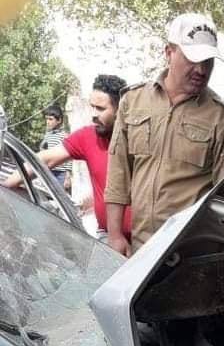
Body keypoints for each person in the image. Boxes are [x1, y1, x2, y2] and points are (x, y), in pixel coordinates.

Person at [105, 13, 224, 256]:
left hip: (192, 255)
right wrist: (115, 234)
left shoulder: (223, 118)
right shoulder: (133, 101)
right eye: (193, 59)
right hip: (141, 249)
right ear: (169, 52)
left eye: (208, 61)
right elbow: (118, 170)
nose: (201, 70)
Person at [3, 75, 131, 242]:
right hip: (107, 237)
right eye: (92, 107)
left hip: (145, 237)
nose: (93, 115)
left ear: (120, 109)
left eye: (100, 109)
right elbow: (44, 160)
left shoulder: (138, 140)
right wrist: (6, 186)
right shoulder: (88, 137)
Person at [40, 105, 72, 190]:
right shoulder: (48, 135)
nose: (47, 122)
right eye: (46, 119)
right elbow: (44, 150)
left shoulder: (64, 136)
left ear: (59, 120)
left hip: (61, 173)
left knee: (59, 194)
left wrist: (68, 176)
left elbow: (69, 156)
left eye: (50, 119)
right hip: (49, 170)